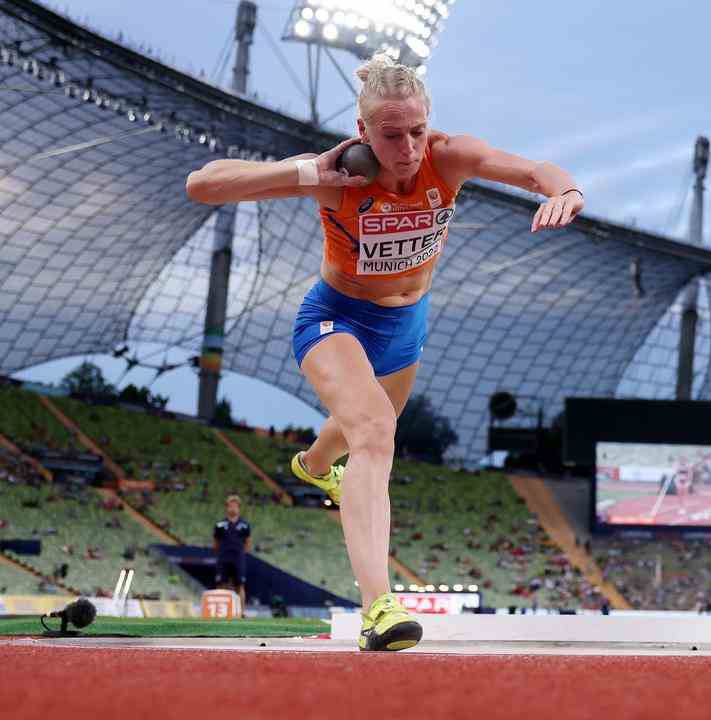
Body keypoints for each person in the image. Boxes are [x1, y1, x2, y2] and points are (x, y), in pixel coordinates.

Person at [186, 52, 584, 651]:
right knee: (374, 431)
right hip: (335, 319)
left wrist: (565, 191)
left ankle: (315, 467)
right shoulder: (336, 174)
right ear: (362, 132)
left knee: (366, 428)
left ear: (431, 122)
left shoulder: (449, 158)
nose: (407, 148)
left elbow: (534, 171)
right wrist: (303, 175)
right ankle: (379, 608)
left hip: (406, 326)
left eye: (416, 131)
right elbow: (203, 184)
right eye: (391, 135)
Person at [212, 494, 251, 606]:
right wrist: (220, 553)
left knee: (240, 585)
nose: (233, 508)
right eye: (230, 506)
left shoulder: (245, 525)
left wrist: (242, 554)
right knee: (221, 584)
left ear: (239, 508)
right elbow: (215, 542)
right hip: (223, 558)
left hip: (238, 558)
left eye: (235, 506)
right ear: (227, 507)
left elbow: (248, 542)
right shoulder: (219, 525)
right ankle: (220, 610)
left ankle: (241, 612)